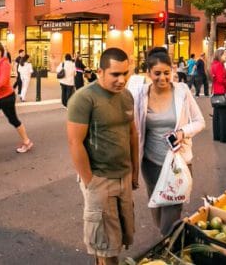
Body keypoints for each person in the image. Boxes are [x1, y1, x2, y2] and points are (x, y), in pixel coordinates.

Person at [67, 47, 138, 265]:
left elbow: (132, 133)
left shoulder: (126, 96)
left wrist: (134, 171)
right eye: (115, 74)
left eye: (125, 73)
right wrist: (91, 182)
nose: (121, 80)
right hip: (100, 179)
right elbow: (74, 142)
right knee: (106, 246)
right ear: (100, 71)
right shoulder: (84, 98)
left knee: (119, 237)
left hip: (123, 177)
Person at [127, 48, 204, 235]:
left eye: (167, 73)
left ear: (173, 71)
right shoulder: (140, 95)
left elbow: (199, 121)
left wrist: (182, 132)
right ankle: (166, 237)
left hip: (178, 163)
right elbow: (132, 126)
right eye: (157, 73)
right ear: (148, 73)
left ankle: (167, 244)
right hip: (151, 163)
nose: (162, 78)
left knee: (172, 210)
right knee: (156, 203)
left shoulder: (182, 91)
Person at [210, 48, 226, 143]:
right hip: (225, 92)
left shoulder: (214, 65)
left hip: (217, 92)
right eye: (225, 54)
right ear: (220, 55)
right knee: (225, 116)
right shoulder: (220, 65)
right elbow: (221, 80)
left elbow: (217, 79)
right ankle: (225, 137)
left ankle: (217, 135)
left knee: (217, 116)